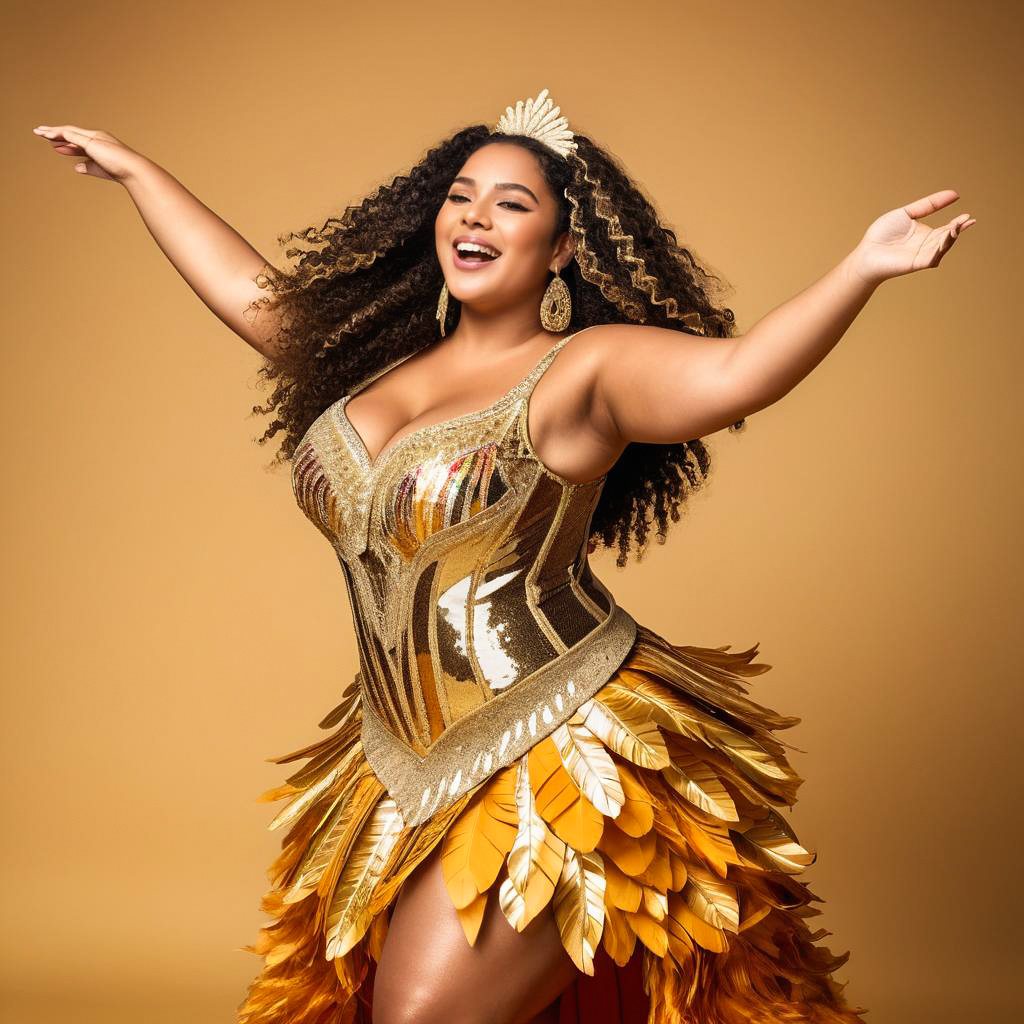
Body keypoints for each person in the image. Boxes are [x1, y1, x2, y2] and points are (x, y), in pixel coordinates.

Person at [33, 88, 972, 1024]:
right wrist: (137, 173)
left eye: (513, 204)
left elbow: (740, 373)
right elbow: (251, 291)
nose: (476, 217)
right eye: (461, 196)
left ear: (562, 249)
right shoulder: (372, 363)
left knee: (421, 1016)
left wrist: (862, 268)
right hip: (392, 755)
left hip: (559, 746)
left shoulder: (584, 370)